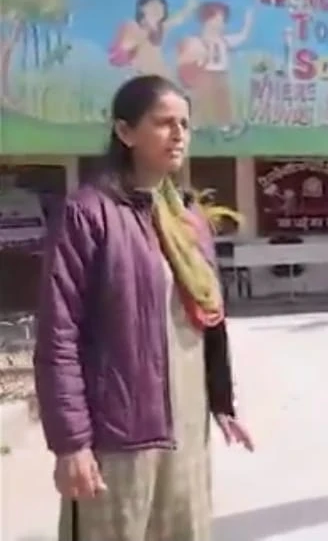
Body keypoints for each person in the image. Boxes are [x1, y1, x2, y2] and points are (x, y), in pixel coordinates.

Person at [33, 74, 254, 541]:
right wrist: (71, 444)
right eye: (163, 122)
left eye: (185, 124)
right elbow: (58, 337)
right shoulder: (87, 214)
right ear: (125, 131)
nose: (178, 134)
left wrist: (221, 400)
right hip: (119, 439)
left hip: (187, 432)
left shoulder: (188, 220)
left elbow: (209, 318)